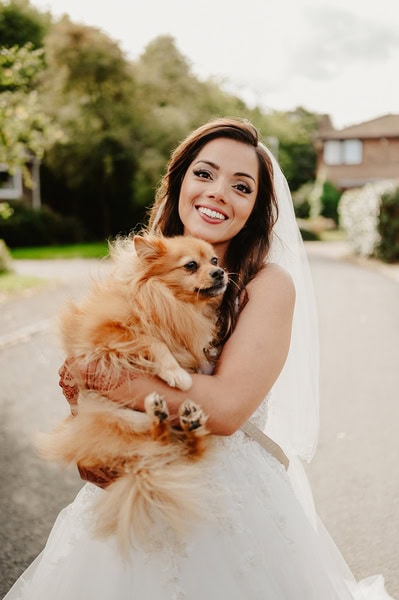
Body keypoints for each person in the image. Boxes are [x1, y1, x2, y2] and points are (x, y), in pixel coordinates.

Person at [3, 117, 394, 599]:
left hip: (223, 496)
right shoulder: (144, 265)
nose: (218, 193)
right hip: (134, 480)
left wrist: (104, 378)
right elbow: (102, 349)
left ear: (255, 207)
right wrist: (86, 402)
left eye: (242, 186)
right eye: (205, 174)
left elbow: (227, 408)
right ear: (181, 180)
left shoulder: (267, 286)